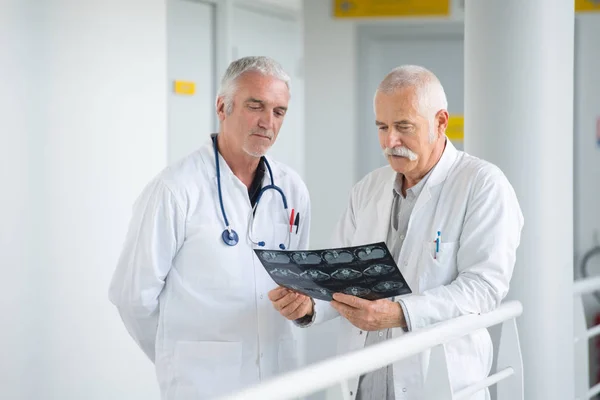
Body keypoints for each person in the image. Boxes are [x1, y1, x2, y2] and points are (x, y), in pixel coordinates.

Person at [270, 65, 523, 400]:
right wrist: (308, 307)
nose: (390, 141)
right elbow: (340, 277)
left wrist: (400, 314)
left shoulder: (482, 185)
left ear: (440, 122)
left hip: (436, 383)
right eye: (382, 127)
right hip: (362, 381)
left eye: (403, 127)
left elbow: (484, 287)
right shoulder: (368, 188)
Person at [109, 56, 312, 400]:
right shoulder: (175, 189)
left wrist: (304, 306)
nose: (267, 122)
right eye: (255, 106)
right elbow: (132, 297)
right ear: (222, 106)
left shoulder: (291, 188)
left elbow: (299, 281)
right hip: (202, 385)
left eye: (279, 112)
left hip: (279, 377)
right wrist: (181, 357)